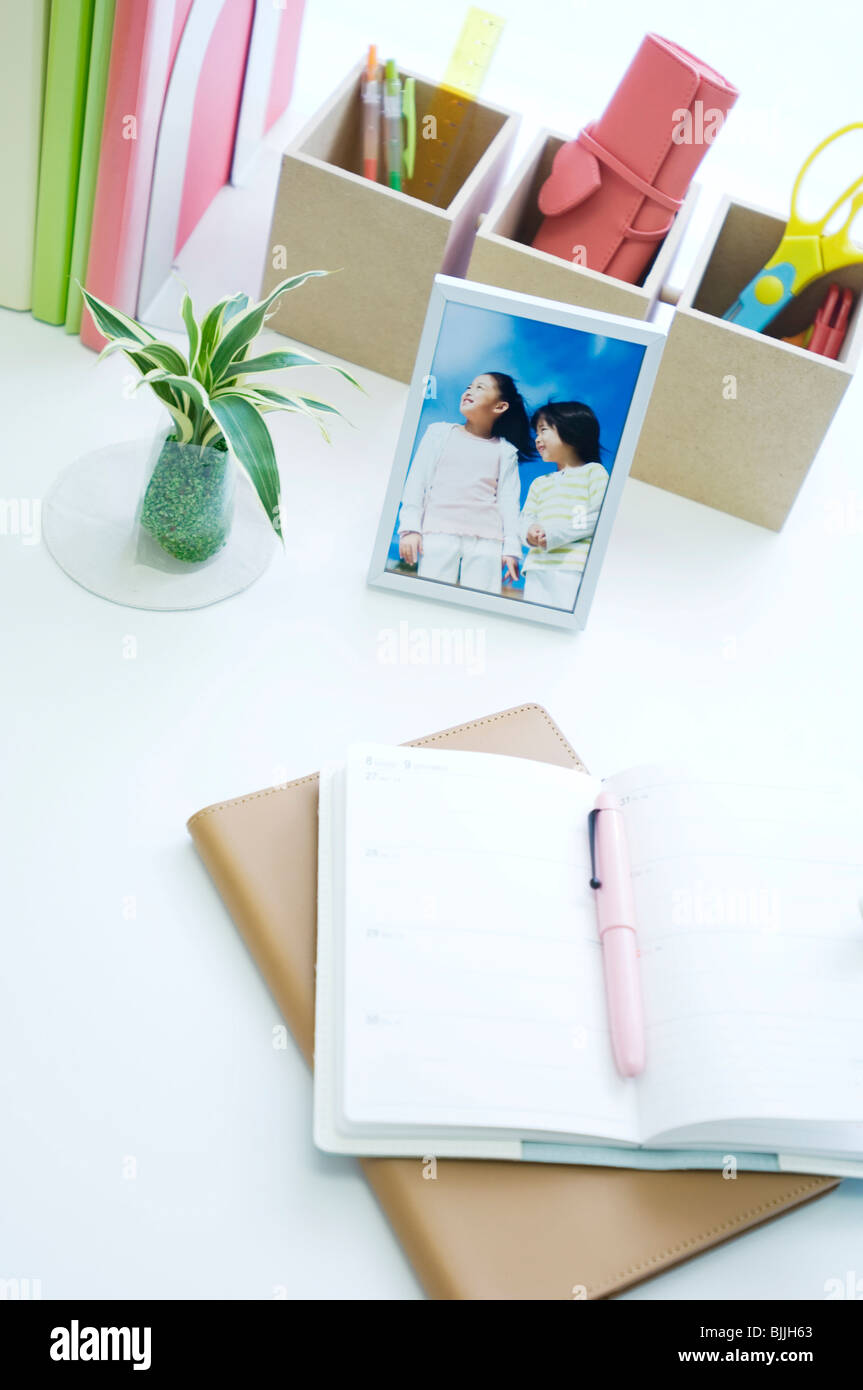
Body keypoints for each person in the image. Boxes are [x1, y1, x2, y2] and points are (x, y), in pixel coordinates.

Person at [397, 372, 532, 594]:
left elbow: (509, 503)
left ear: (499, 407)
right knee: (429, 597)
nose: (469, 391)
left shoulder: (506, 451)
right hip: (438, 533)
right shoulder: (438, 433)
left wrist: (511, 549)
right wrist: (410, 528)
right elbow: (416, 483)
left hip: (488, 542)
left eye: (480, 387)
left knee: (482, 601)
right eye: (469, 386)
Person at [520, 401, 608, 610]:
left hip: (572, 567)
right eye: (536, 432)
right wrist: (529, 531)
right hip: (536, 568)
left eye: (543, 430)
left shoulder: (593, 473)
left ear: (572, 430)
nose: (537, 438)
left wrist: (553, 534)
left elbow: (596, 518)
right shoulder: (540, 483)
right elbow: (526, 517)